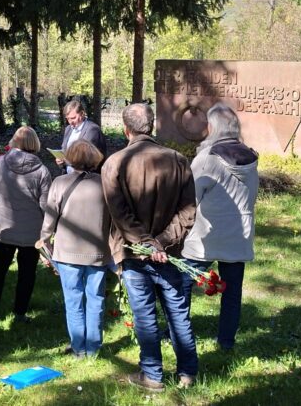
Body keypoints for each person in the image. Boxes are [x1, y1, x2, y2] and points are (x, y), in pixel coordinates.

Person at [102, 103, 197, 393]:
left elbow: (119, 215)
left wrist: (150, 244)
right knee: (178, 314)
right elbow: (188, 212)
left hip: (139, 254)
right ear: (152, 126)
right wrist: (161, 243)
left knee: (146, 316)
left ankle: (154, 375)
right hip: (166, 253)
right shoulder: (178, 160)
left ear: (125, 130)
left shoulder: (115, 163)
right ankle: (187, 373)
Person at [181, 103, 258, 351]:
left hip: (206, 235)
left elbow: (190, 197)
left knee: (182, 284)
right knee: (232, 292)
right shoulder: (251, 158)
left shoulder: (208, 158)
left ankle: (178, 334)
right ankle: (226, 342)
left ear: (212, 128)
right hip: (238, 235)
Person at [40, 140, 111, 357]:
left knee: (73, 300)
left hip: (67, 251)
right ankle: (94, 347)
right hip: (97, 251)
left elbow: (50, 217)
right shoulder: (105, 183)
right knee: (96, 299)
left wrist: (44, 241)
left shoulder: (60, 182)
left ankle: (78, 347)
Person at [0, 126, 52, 323]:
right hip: (31, 231)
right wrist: (48, 233)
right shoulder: (42, 171)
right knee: (27, 272)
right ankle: (20, 313)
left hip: (4, 228)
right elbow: (45, 206)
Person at [56, 100, 108, 174]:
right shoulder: (68, 129)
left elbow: (89, 158)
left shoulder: (93, 130)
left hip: (87, 177)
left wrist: (66, 160)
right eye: (68, 119)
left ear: (82, 114)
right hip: (69, 176)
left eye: (73, 118)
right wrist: (60, 161)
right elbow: (64, 149)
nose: (70, 122)